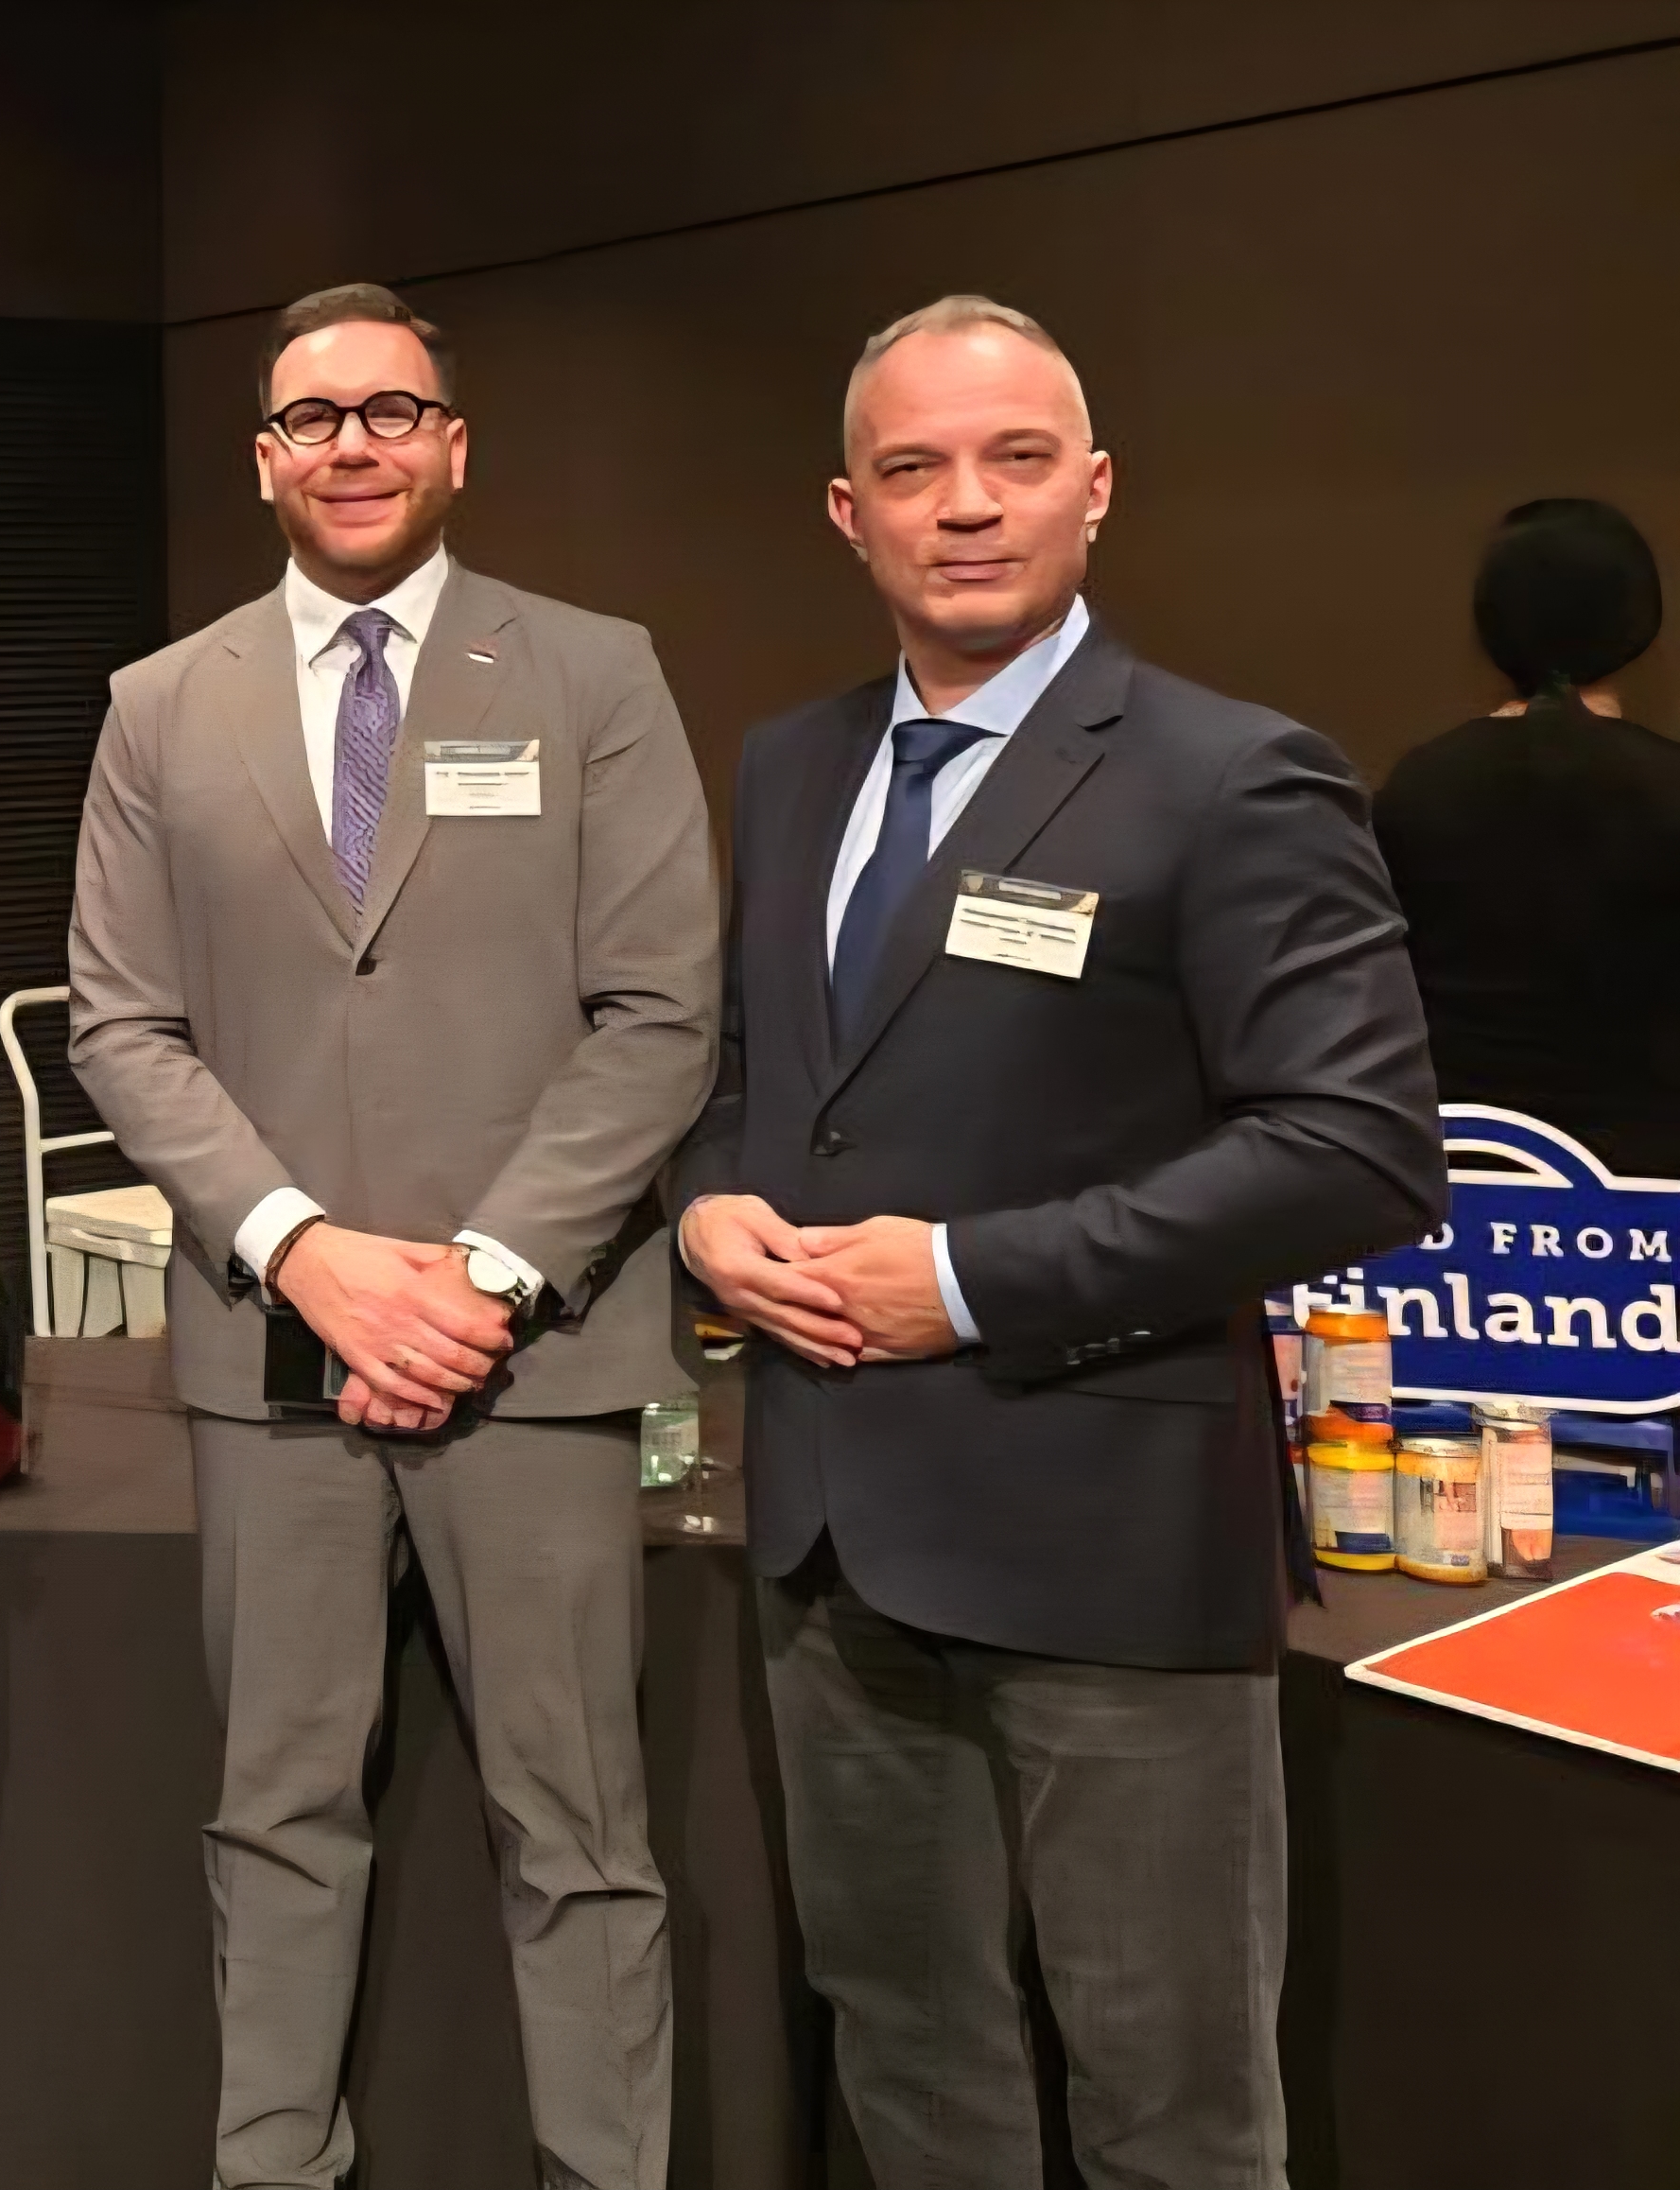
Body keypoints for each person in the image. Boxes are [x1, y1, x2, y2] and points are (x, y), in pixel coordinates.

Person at [672, 297, 1446, 2188]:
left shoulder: (1232, 773)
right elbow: (758, 1074)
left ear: (1095, 491)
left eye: (1015, 461)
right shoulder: (790, 764)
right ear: (847, 512)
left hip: (1111, 1543)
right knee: (909, 2062)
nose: (966, 505)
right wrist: (704, 1199)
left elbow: (1356, 1149)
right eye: (914, 468)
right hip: (834, 1544)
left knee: (1168, 2103)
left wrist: (964, 1282)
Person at [66, 282, 716, 2190]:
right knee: (276, 1822)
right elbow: (122, 1022)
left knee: (580, 1836)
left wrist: (481, 1277)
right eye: (311, 418)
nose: (350, 443)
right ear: (261, 461)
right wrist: (306, 1251)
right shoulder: (159, 704)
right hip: (274, 1345)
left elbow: (661, 1013)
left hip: (540, 1350)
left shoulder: (594, 674)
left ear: (455, 443)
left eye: (390, 410)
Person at [1375, 497, 1680, 1178]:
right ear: (1639, 623)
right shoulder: (1669, 788)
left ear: (1493, 624)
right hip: (1651, 1191)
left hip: (1456, 1174)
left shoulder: (1420, 785)